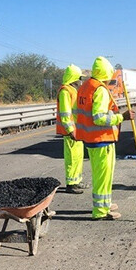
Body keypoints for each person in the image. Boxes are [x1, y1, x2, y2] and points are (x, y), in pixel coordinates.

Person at [76, 56, 134, 220]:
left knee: (99, 175)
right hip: (102, 139)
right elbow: (99, 118)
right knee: (103, 176)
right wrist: (121, 117)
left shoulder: (85, 86)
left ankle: (105, 203)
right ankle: (100, 211)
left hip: (90, 139)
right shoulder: (100, 89)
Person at [56, 64, 85, 194]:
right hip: (71, 131)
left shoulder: (74, 90)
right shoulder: (65, 91)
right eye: (79, 78)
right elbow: (65, 113)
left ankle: (77, 181)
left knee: (78, 156)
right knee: (72, 158)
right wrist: (70, 130)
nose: (81, 80)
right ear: (74, 77)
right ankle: (71, 184)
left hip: (78, 130)